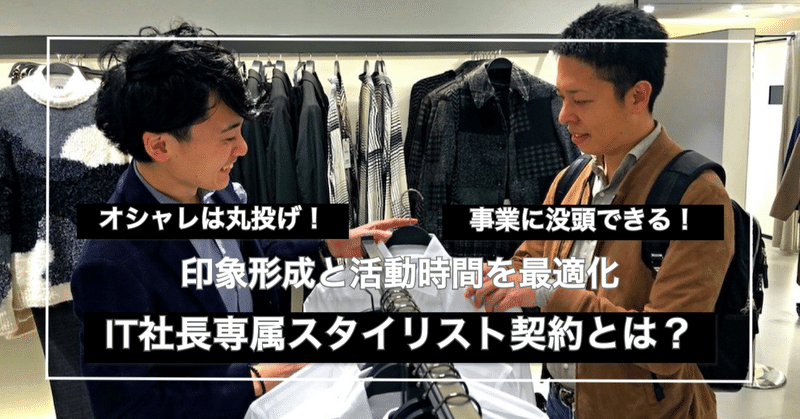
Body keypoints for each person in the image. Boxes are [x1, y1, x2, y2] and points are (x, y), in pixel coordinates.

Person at [70, 23, 415, 419]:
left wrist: (327, 243)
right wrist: (256, 379)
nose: (244, 148)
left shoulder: (216, 192)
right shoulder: (110, 265)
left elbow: (248, 256)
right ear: (160, 145)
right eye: (228, 136)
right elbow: (128, 410)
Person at [465, 4, 734, 419]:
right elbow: (529, 259)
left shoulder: (696, 196)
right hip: (560, 402)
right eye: (562, 97)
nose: (563, 116)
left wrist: (550, 294)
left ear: (638, 96)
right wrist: (494, 278)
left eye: (581, 100)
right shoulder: (571, 180)